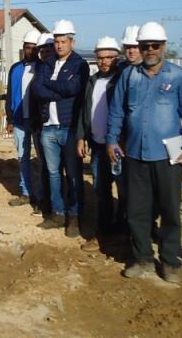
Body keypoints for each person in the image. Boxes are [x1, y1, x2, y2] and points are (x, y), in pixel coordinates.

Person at [106, 21, 182, 284]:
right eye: (145, 46)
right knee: (137, 210)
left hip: (170, 153)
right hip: (135, 153)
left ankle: (170, 261)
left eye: (155, 45)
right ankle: (143, 258)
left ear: (164, 46)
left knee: (170, 210)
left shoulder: (179, 77)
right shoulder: (129, 76)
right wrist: (112, 140)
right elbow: (117, 110)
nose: (150, 50)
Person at [32, 20, 89, 238]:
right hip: (49, 128)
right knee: (53, 174)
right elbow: (37, 89)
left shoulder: (79, 64)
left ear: (72, 42)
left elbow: (74, 88)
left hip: (69, 127)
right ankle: (57, 213)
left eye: (63, 41)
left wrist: (51, 85)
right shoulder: (47, 64)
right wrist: (60, 90)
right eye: (57, 41)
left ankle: (74, 217)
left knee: (73, 175)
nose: (59, 45)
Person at [75, 36, 125, 250]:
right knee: (101, 191)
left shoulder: (122, 80)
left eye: (109, 57)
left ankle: (124, 232)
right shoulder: (92, 81)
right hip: (97, 146)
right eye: (100, 57)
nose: (104, 61)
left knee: (124, 191)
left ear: (117, 58)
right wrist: (81, 136)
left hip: (119, 148)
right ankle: (103, 232)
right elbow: (84, 110)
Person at [5, 29, 43, 210]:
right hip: (20, 121)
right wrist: (10, 119)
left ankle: (42, 196)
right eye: (28, 47)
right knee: (23, 158)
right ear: (23, 48)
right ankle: (26, 192)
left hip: (38, 122)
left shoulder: (44, 68)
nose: (31, 51)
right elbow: (9, 94)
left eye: (34, 48)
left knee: (43, 160)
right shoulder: (16, 69)